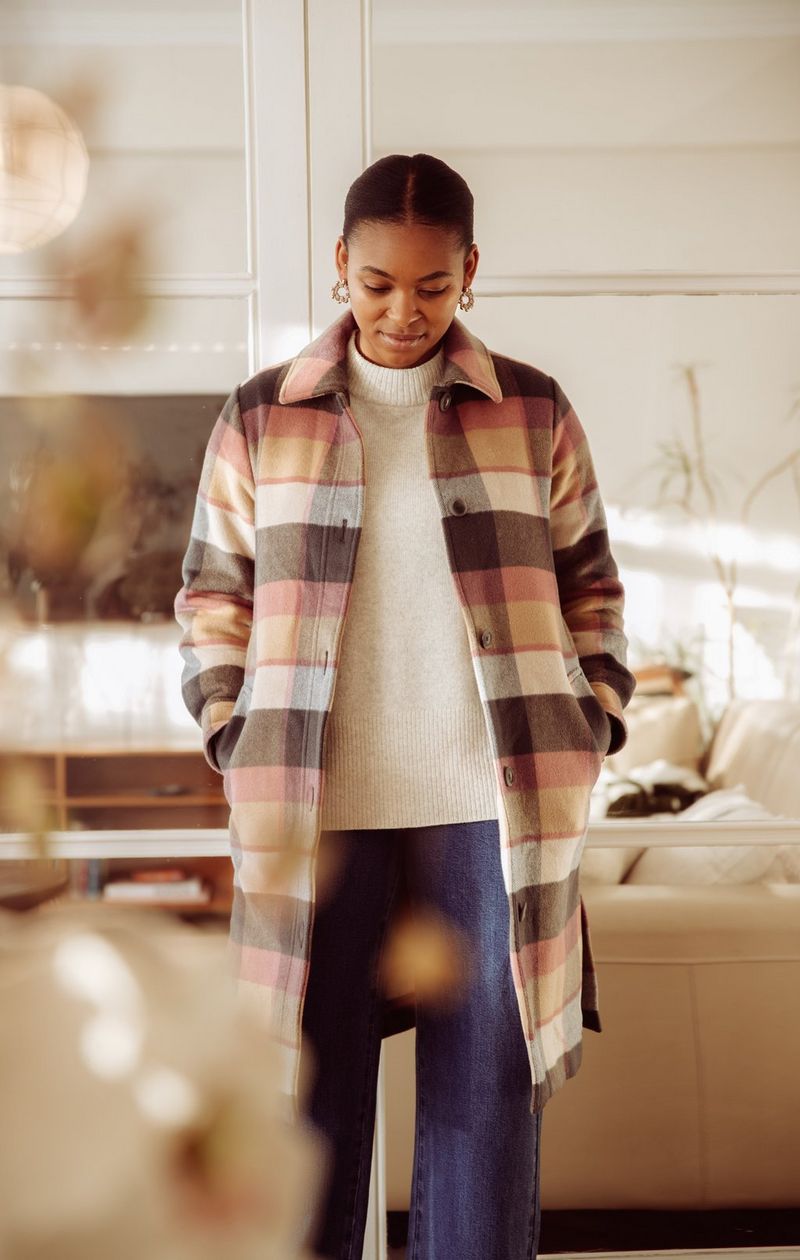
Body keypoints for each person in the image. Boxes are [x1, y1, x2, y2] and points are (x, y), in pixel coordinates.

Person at [174, 152, 637, 1260]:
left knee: (483, 1104)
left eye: (430, 286)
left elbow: (593, 587)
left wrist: (593, 721)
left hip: (491, 808)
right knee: (309, 1105)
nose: (401, 309)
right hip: (313, 814)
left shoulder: (531, 410)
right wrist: (234, 737)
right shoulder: (258, 418)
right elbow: (208, 599)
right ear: (340, 265)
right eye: (376, 282)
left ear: (469, 273)